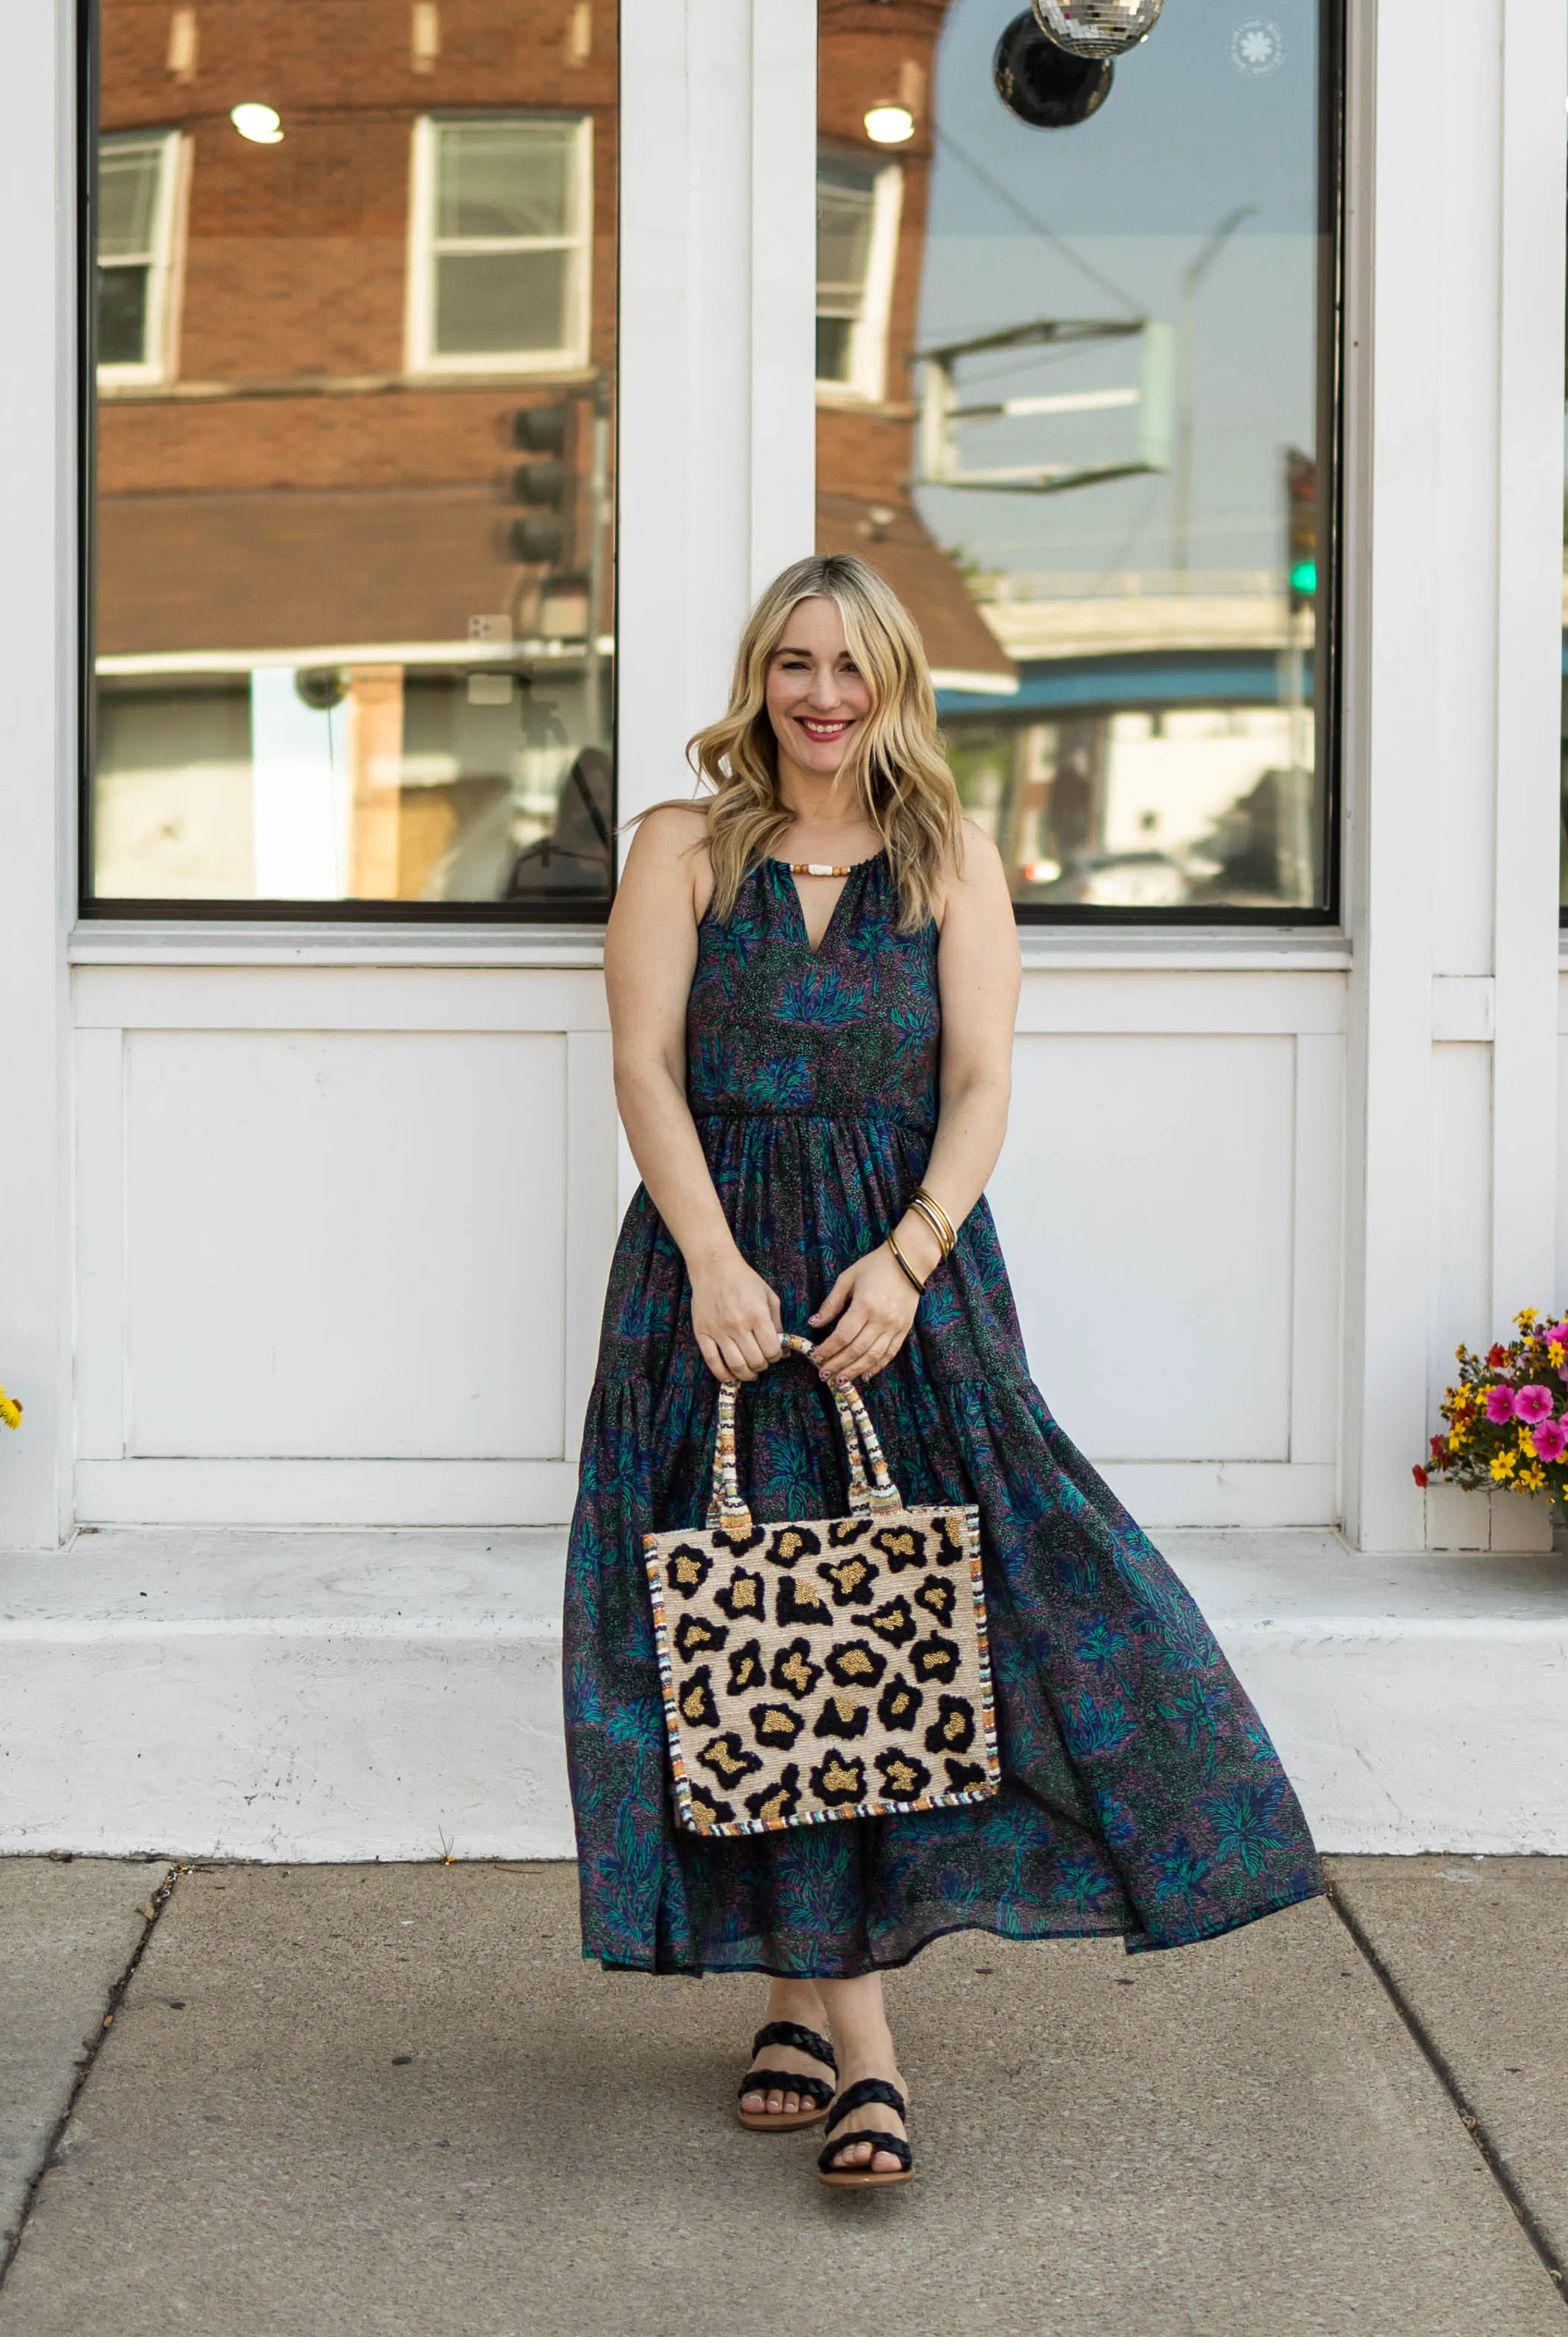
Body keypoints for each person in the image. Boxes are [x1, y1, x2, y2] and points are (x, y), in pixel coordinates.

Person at [562, 553, 1324, 2189]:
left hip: (903, 1291)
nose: (821, 694)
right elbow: (641, 1066)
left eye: (850, 666)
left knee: (937, 1616)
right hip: (717, 1284)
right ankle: (864, 2054)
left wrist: (906, 1259)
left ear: (896, 683)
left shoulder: (948, 857)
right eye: (793, 663)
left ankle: (803, 2002)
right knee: (759, 1636)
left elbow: (981, 1085)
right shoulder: (681, 850)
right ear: (758, 678)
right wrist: (710, 1262)